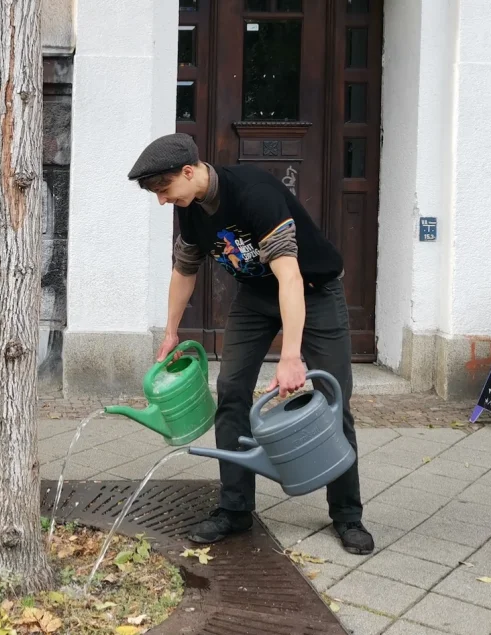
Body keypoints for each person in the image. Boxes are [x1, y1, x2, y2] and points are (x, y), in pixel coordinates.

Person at [127, 133, 373, 555]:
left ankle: (347, 514)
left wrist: (290, 356)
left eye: (164, 190)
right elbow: (184, 269)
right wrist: (170, 332)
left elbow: (290, 277)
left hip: (312, 291)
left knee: (333, 396)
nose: (163, 201)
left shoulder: (255, 194)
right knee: (231, 390)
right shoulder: (191, 209)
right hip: (255, 298)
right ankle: (235, 508)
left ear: (188, 171)